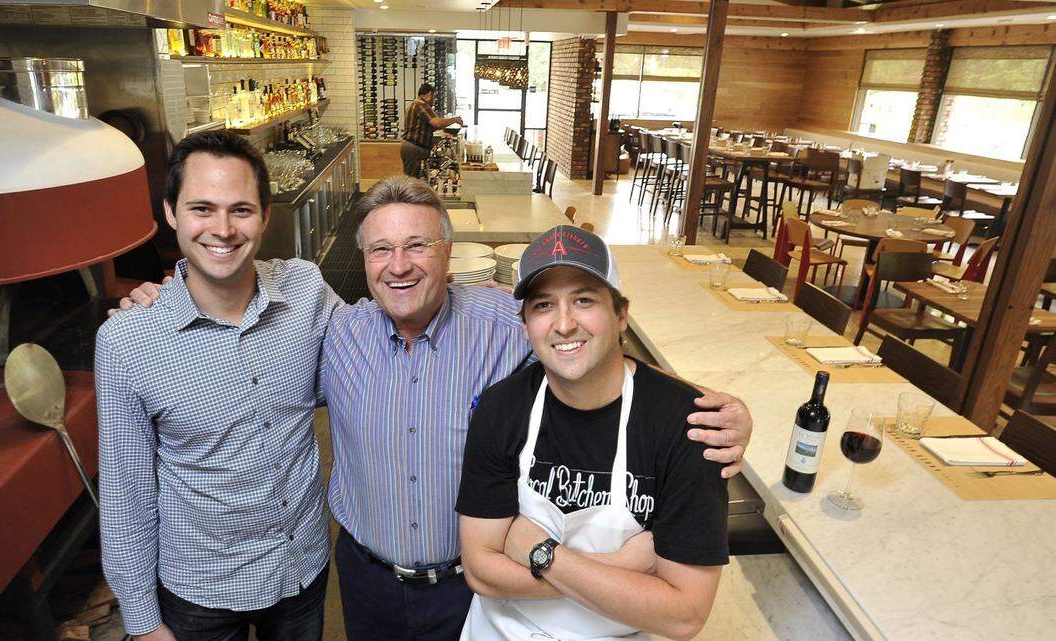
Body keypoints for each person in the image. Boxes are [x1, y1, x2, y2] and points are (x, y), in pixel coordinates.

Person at [118, 175, 754, 641]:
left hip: (473, 584)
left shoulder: (508, 325)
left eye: (418, 246)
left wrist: (704, 409)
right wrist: (168, 293)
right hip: (364, 579)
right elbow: (242, 355)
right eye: (379, 251)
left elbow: (590, 350)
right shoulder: (333, 332)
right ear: (360, 261)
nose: (399, 267)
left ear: (451, 254)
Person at [95, 131, 339, 641]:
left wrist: (488, 307)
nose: (223, 230)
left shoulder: (306, 291)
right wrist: (142, 622)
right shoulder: (127, 340)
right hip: (201, 591)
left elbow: (377, 345)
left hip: (302, 570)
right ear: (170, 212)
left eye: (241, 210)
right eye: (202, 208)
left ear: (266, 215)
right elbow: (126, 493)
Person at [456, 226, 729, 641]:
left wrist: (541, 553)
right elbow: (482, 572)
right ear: (526, 325)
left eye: (584, 300)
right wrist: (622, 566)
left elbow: (684, 614)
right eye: (544, 305)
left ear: (621, 314)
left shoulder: (687, 426)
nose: (564, 324)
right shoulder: (502, 409)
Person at [401, 83, 463, 178]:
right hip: (413, 148)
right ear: (430, 94)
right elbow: (437, 123)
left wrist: (445, 130)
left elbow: (430, 126)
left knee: (414, 179)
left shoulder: (416, 104)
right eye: (434, 97)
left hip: (413, 148)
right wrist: (455, 119)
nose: (434, 101)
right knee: (411, 182)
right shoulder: (420, 104)